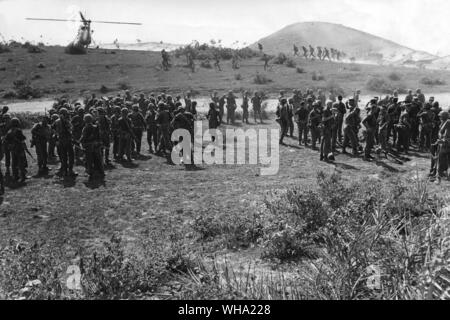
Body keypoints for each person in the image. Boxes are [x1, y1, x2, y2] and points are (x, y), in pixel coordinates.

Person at [80, 114, 105, 180]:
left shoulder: (85, 128)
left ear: (85, 120)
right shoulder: (96, 127)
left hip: (89, 147)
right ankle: (100, 172)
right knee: (98, 159)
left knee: (89, 160)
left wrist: (80, 142)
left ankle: (91, 174)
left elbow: (83, 138)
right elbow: (99, 137)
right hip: (96, 146)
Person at [4, 118, 28, 183]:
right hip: (19, 149)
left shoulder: (9, 131)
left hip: (13, 149)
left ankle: (15, 176)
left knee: (14, 163)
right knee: (21, 162)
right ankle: (22, 176)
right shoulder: (18, 130)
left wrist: (10, 146)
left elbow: (6, 140)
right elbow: (23, 138)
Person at [54, 108, 77, 177]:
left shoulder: (56, 121)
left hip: (60, 141)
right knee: (71, 156)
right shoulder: (66, 121)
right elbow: (70, 130)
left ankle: (64, 171)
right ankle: (70, 170)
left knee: (63, 156)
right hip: (67, 140)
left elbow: (54, 130)